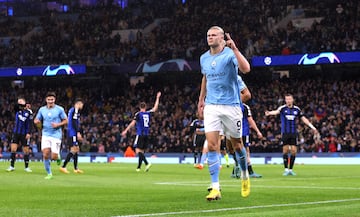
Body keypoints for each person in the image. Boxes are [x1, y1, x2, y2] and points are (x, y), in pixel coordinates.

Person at [198, 26, 251, 200]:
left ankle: (244, 174)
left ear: (222, 38)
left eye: (213, 35)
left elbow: (246, 69)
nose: (210, 37)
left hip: (231, 106)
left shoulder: (229, 54)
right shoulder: (204, 58)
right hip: (212, 106)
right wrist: (201, 100)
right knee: (213, 145)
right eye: (208, 35)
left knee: (237, 145)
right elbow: (205, 77)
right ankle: (215, 187)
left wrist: (235, 49)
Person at [265, 94, 318, 176]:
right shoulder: (282, 108)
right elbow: (276, 111)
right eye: (287, 99)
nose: (288, 101)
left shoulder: (297, 109)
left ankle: (290, 169)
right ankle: (286, 169)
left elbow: (303, 119)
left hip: (293, 133)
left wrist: (312, 127)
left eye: (290, 99)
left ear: (292, 100)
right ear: (285, 100)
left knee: (294, 151)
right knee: (285, 150)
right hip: (285, 133)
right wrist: (269, 113)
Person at [121, 92, 161, 172]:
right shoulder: (148, 113)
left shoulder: (138, 114)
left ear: (140, 107)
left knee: (137, 151)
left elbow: (133, 123)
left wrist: (125, 130)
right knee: (142, 151)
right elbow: (155, 108)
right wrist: (157, 98)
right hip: (146, 134)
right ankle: (138, 167)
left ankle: (146, 163)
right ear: (145, 107)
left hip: (140, 134)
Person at [34, 91, 68, 180]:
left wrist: (58, 125)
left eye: (52, 99)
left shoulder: (59, 109)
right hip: (45, 134)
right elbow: (37, 120)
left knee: (53, 156)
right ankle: (49, 173)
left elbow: (66, 120)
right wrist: (37, 122)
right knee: (45, 154)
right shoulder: (42, 110)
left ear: (54, 100)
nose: (50, 101)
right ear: (46, 100)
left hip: (56, 135)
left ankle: (58, 157)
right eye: (49, 99)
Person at [6, 97, 33, 172]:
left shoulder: (29, 112)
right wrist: (21, 104)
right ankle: (12, 166)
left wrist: (29, 133)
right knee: (13, 149)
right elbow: (14, 105)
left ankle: (26, 167)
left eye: (20, 101)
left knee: (26, 150)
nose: (19, 103)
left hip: (24, 133)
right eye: (18, 102)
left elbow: (30, 124)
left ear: (24, 102)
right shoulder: (17, 110)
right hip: (16, 133)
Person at [60, 98, 84, 174]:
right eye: (81, 104)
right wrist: (77, 132)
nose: (82, 106)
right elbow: (74, 122)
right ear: (78, 104)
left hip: (71, 132)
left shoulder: (71, 110)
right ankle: (63, 166)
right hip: (72, 133)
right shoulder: (75, 110)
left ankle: (75, 168)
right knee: (74, 149)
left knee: (76, 150)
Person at [243, 103, 263, 178]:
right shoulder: (245, 107)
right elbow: (250, 120)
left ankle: (235, 171)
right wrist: (257, 131)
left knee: (236, 151)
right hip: (243, 132)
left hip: (232, 132)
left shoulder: (230, 104)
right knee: (246, 151)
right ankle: (250, 172)